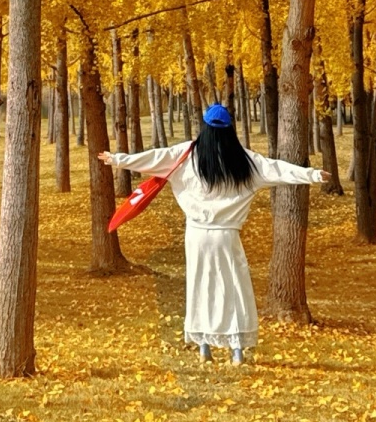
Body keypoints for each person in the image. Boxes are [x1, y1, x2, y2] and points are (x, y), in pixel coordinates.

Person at [100, 104, 326, 365]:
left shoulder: (186, 156)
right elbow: (276, 169)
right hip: (227, 236)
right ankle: (236, 350)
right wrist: (312, 175)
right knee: (233, 289)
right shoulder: (244, 161)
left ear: (205, 128)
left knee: (200, 286)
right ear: (229, 129)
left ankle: (204, 348)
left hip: (196, 235)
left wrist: (118, 159)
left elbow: (153, 158)